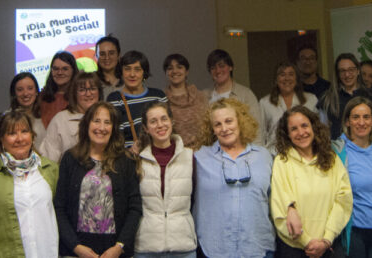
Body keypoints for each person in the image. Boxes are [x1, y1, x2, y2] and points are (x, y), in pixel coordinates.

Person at [0, 110, 59, 258]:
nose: (19, 139)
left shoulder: (50, 169)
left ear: (32, 136)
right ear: (1, 139)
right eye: (12, 133)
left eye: (25, 131)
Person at [54, 101, 142, 257]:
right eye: (96, 121)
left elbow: (134, 208)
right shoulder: (70, 159)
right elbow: (59, 207)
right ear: (87, 124)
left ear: (113, 129)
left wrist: (119, 247)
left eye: (107, 122)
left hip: (115, 252)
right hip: (75, 251)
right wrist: (76, 247)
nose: (101, 128)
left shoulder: (126, 161)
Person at [193, 98, 275, 257]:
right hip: (214, 249)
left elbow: (279, 196)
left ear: (240, 121)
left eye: (229, 121)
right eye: (217, 124)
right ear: (212, 129)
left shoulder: (264, 156)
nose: (224, 128)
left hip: (257, 248)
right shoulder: (199, 158)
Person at [271, 105, 352, 258]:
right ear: (287, 134)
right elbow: (279, 205)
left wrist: (327, 239)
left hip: (329, 246)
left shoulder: (332, 159)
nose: (301, 132)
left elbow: (343, 201)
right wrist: (307, 242)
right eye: (294, 129)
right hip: (294, 249)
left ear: (314, 127)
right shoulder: (282, 162)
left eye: (304, 125)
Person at [332, 97, 372, 258]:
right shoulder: (336, 150)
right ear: (347, 121)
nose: (361, 122)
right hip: (353, 230)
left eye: (366, 117)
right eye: (356, 117)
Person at [134, 102, 198, 257]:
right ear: (145, 128)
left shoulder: (189, 157)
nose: (160, 125)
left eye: (164, 119)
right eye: (153, 121)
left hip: (183, 246)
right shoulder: (137, 160)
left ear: (171, 121)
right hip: (147, 247)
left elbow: (196, 200)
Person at [106, 50, 167, 149]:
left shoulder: (158, 96)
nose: (132, 74)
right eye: (127, 69)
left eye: (137, 69)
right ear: (121, 72)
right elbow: (115, 138)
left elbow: (169, 130)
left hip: (159, 156)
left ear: (144, 73)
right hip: (130, 159)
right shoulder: (114, 99)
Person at [39, 72, 102, 162]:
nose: (88, 94)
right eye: (82, 90)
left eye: (92, 89)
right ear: (74, 94)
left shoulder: (107, 117)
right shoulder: (60, 120)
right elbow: (49, 160)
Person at [205, 49, 263, 144]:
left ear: (230, 67)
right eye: (213, 68)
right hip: (213, 154)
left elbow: (257, 129)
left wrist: (256, 154)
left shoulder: (246, 94)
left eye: (221, 66)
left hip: (243, 152)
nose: (218, 70)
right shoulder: (204, 96)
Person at [258, 61, 317, 153]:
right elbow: (260, 134)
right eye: (282, 74)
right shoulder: (265, 103)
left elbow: (318, 129)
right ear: (276, 80)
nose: (287, 78)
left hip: (305, 152)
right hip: (275, 153)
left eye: (291, 74)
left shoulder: (311, 100)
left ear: (296, 79)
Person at [319, 53, 372, 140]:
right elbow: (323, 131)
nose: (347, 75)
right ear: (338, 74)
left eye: (351, 70)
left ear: (358, 71)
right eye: (342, 71)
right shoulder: (327, 99)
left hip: (367, 148)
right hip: (339, 150)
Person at [162, 53, 208, 149]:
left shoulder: (200, 96)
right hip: (174, 154)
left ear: (186, 71)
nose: (175, 71)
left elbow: (208, 126)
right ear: (166, 73)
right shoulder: (162, 100)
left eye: (179, 67)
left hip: (203, 152)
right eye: (170, 68)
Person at [7, 71, 46, 148]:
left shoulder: (45, 116)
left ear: (36, 91)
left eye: (30, 88)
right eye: (20, 89)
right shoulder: (7, 119)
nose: (25, 93)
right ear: (14, 94)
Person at [40, 51, 80, 128]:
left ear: (73, 70)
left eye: (65, 69)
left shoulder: (80, 96)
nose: (59, 72)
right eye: (55, 69)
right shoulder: (42, 97)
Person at [96, 34, 122, 99]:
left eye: (111, 53)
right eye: (102, 54)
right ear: (97, 56)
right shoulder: (91, 81)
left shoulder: (128, 79)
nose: (107, 58)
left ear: (119, 55)